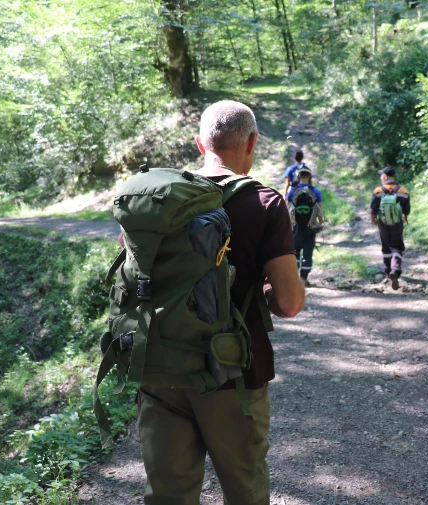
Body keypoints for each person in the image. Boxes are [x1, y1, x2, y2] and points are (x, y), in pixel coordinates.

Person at [136, 100, 305, 505]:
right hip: (233, 374)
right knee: (245, 490)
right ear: (252, 143)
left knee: (167, 495)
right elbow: (289, 303)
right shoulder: (265, 203)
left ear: (200, 143)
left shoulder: (158, 199)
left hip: (161, 368)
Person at [370, 166, 410, 290]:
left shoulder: (378, 190)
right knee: (397, 246)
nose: (381, 177)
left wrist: (373, 218)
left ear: (386, 177)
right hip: (397, 222)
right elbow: (407, 208)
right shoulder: (403, 190)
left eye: (382, 175)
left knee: (386, 246)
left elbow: (373, 207)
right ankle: (396, 269)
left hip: (382, 223)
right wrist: (405, 216)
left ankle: (387, 271)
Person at [286, 165, 323, 285]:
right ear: (309, 176)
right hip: (310, 228)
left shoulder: (292, 191)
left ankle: (294, 279)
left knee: (294, 252)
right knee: (307, 253)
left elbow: (287, 209)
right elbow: (319, 211)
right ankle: (304, 279)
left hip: (295, 227)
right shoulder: (315, 191)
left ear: (298, 175)